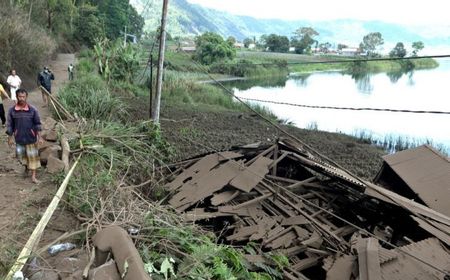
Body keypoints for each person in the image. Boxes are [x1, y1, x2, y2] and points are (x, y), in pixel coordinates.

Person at [6, 88, 43, 184]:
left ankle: (33, 177)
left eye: (23, 96)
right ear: (17, 97)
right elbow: (10, 125)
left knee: (33, 157)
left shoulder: (32, 110)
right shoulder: (12, 111)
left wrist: (40, 137)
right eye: (20, 96)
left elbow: (37, 124)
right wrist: (10, 138)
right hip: (19, 138)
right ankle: (26, 167)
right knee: (21, 155)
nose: (22, 98)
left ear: (26, 97)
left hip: (31, 137)